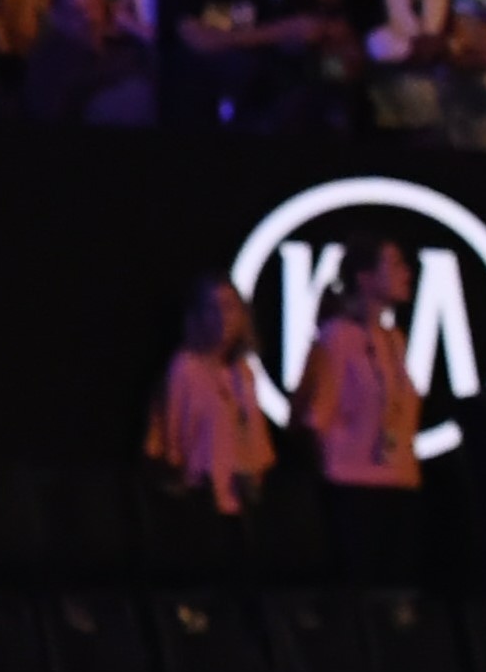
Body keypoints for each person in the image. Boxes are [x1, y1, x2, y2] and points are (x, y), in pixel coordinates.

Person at [291, 245, 426, 578]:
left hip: (400, 482)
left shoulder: (394, 339)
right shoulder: (336, 337)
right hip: (352, 488)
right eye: (394, 263)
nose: (407, 272)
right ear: (364, 278)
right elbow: (313, 417)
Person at [146, 274, 277, 515]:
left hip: (241, 502)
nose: (221, 317)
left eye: (229, 307)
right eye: (212, 308)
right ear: (197, 316)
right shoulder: (185, 367)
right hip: (198, 501)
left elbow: (256, 439)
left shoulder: (243, 371)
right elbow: (171, 439)